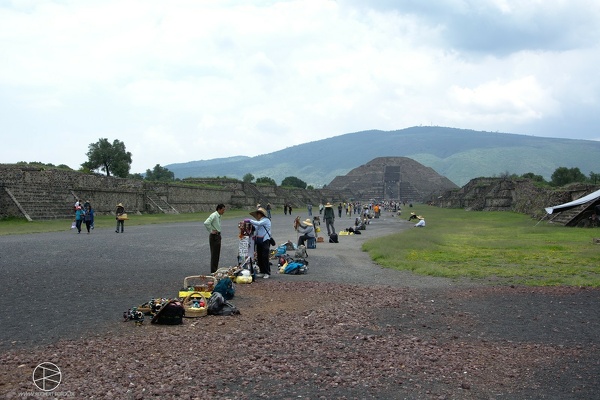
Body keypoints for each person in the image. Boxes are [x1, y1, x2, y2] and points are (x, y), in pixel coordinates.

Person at [248, 207, 272, 279]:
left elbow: (258, 223)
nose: (257, 216)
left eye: (258, 214)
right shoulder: (259, 221)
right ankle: (262, 271)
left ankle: (267, 272)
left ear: (261, 214)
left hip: (265, 240)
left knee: (265, 256)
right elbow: (255, 227)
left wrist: (250, 220)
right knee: (259, 257)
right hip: (259, 240)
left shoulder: (266, 220)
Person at [204, 203, 226, 274]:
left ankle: (215, 270)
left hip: (217, 236)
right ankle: (213, 271)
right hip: (214, 236)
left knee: (217, 254)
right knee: (214, 254)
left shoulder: (219, 216)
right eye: (223, 210)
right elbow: (206, 223)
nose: (223, 211)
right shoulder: (214, 215)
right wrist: (211, 231)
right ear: (219, 209)